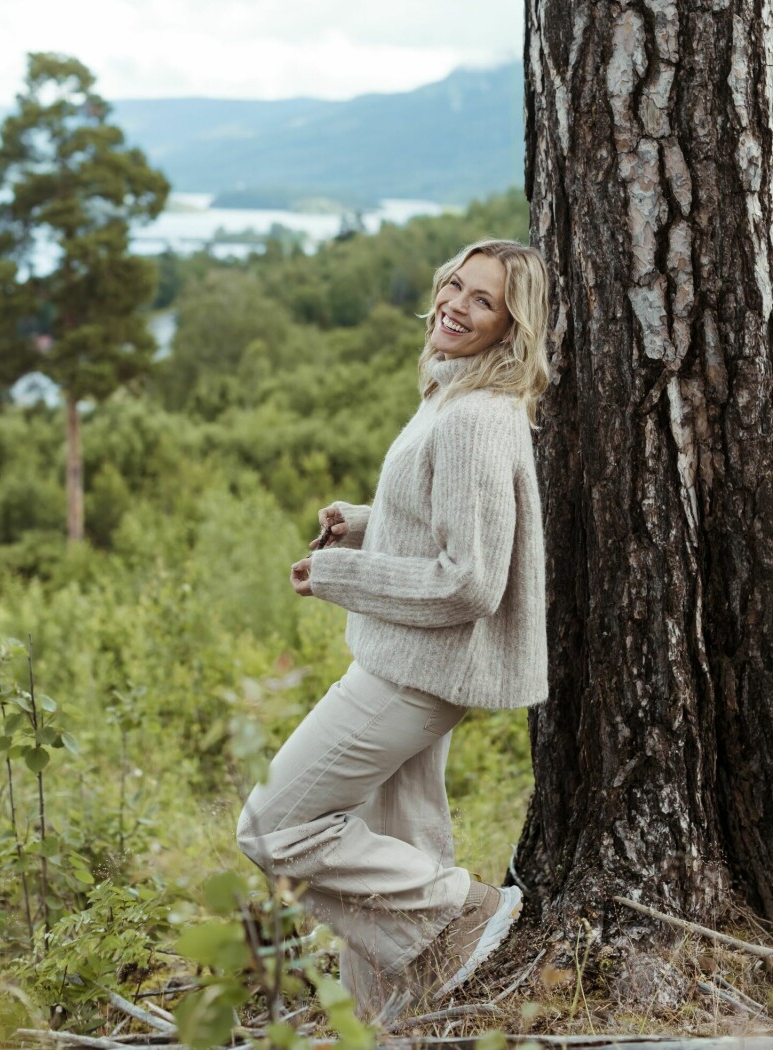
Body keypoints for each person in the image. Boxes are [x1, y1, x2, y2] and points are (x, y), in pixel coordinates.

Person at [236, 239, 551, 1015]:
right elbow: (444, 527)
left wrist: (343, 577)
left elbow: (471, 579)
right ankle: (403, 1025)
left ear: (512, 328)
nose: (455, 304)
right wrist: (364, 526)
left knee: (274, 828)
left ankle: (459, 911)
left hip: (410, 677)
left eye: (483, 301)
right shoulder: (453, 395)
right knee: (400, 855)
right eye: (455, 284)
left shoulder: (477, 417)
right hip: (409, 663)